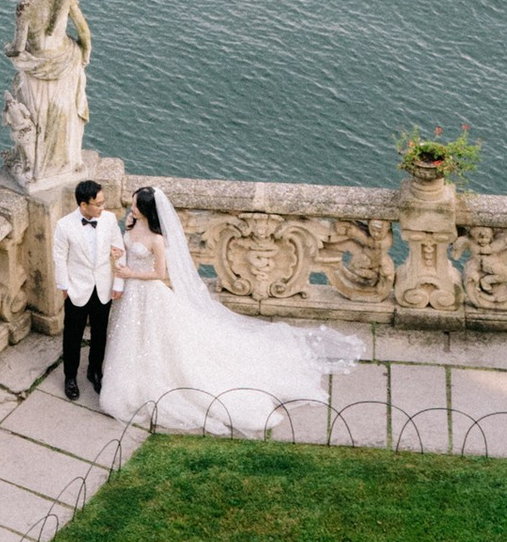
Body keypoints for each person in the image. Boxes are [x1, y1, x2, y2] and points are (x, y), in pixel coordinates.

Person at [99, 182, 368, 431]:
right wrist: (119, 256)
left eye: (135, 204)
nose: (130, 207)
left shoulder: (157, 240)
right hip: (130, 292)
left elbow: (159, 273)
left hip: (147, 291)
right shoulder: (132, 225)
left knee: (157, 341)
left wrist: (130, 274)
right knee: (131, 337)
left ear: (147, 210)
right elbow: (127, 249)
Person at [52, 175, 123, 399]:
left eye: (103, 202)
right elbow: (59, 258)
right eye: (98, 204)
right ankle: (70, 377)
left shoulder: (109, 220)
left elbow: (119, 250)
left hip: (103, 286)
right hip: (77, 288)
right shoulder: (64, 226)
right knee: (72, 335)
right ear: (83, 205)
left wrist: (118, 283)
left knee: (100, 333)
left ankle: (95, 371)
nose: (103, 207)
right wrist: (64, 286)